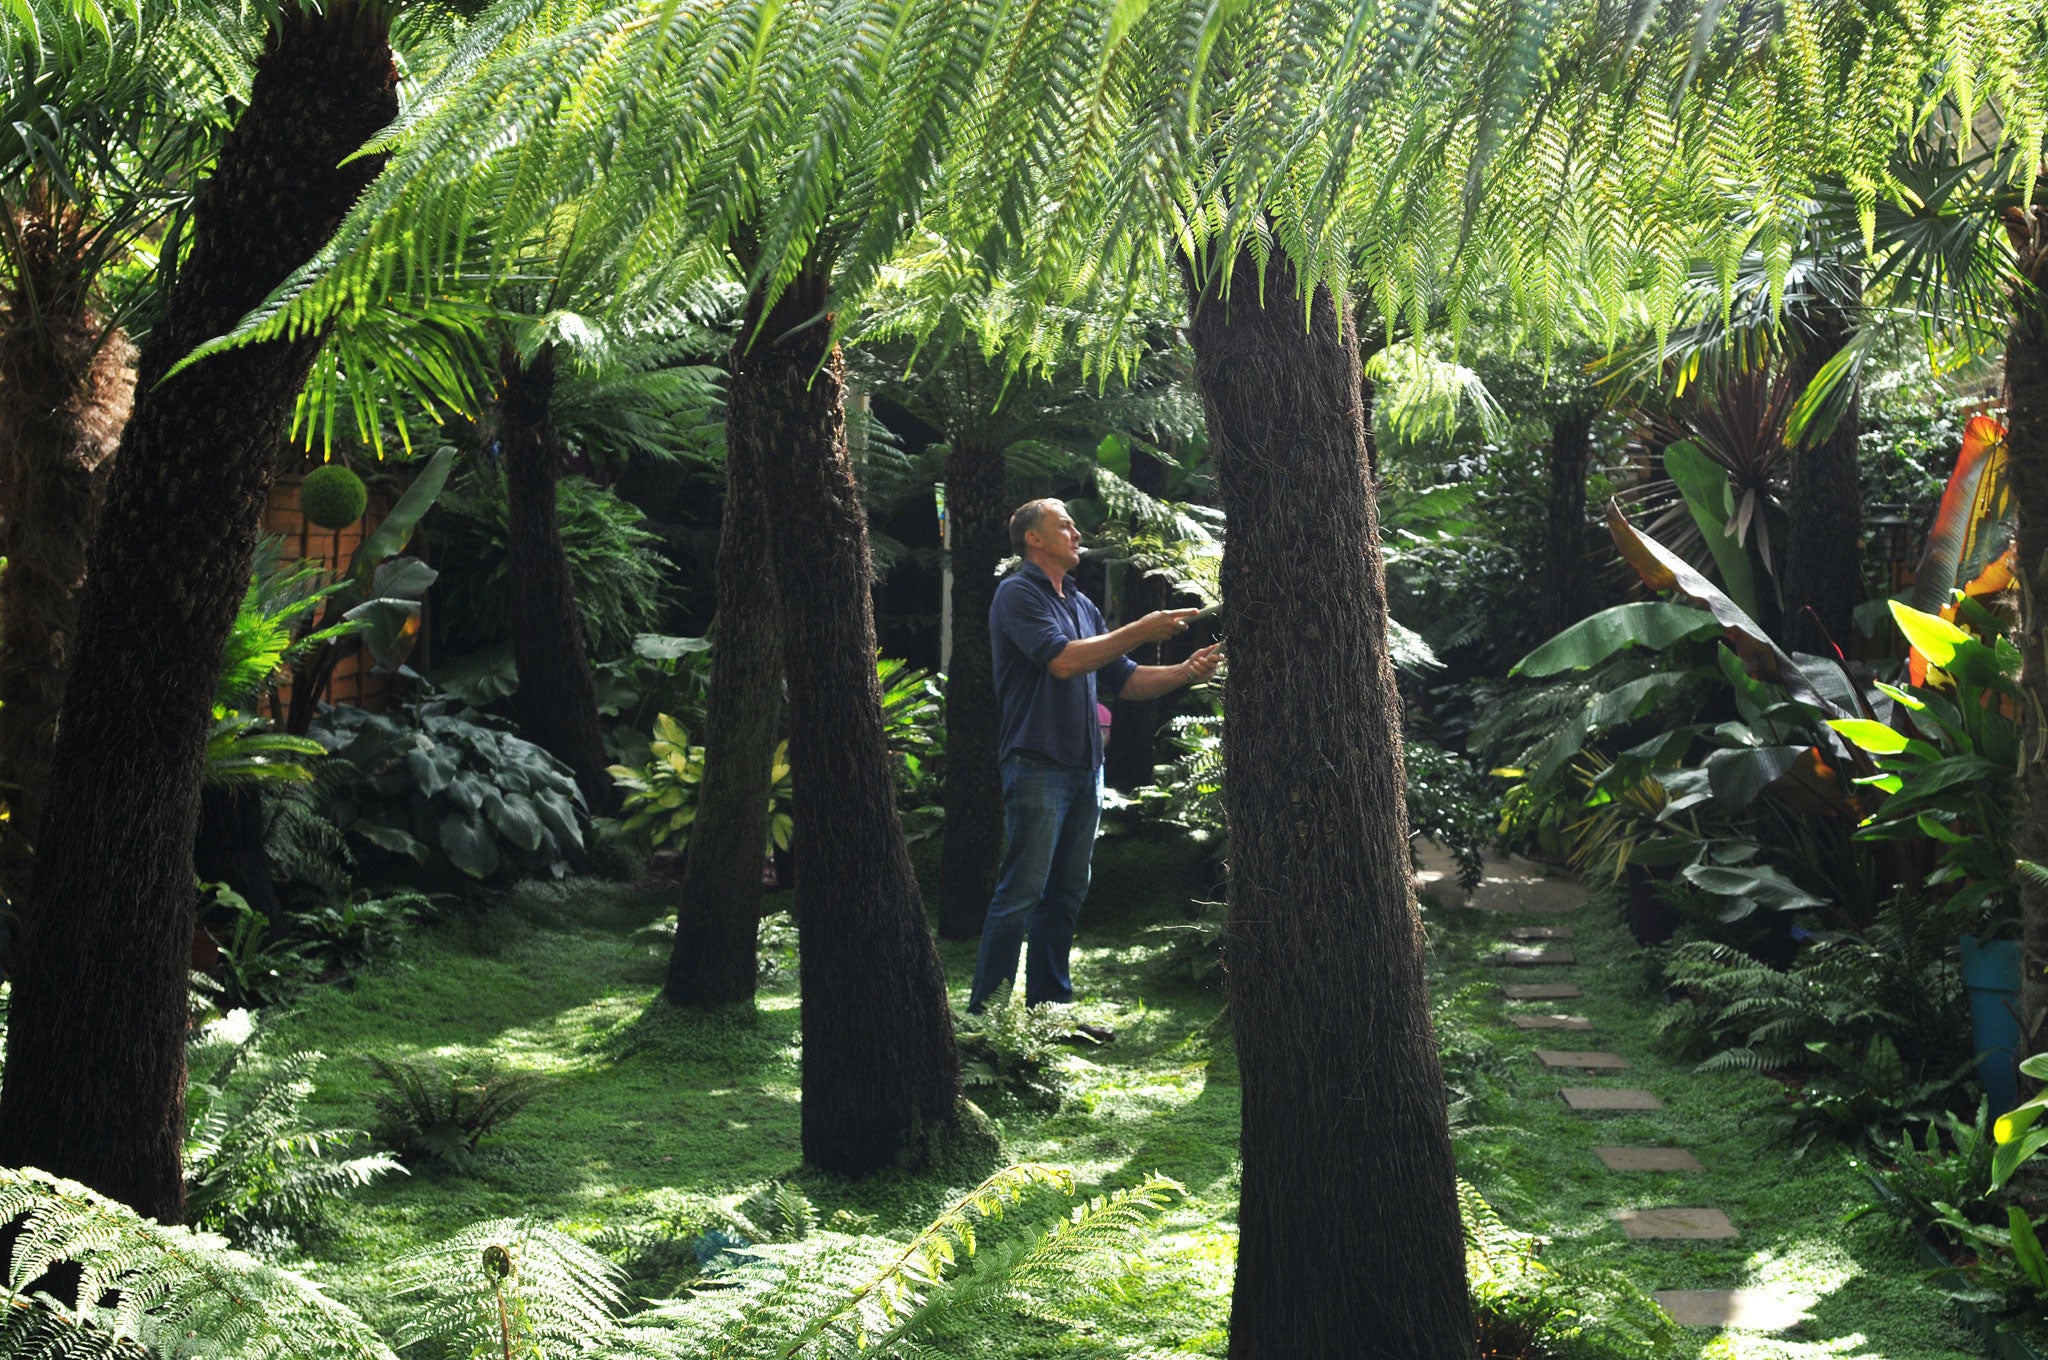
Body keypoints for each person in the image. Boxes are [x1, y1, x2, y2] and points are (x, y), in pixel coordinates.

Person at [966, 497, 1222, 1019]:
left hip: (1086, 767)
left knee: (1065, 895)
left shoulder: (1082, 605)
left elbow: (1124, 680)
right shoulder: (1017, 593)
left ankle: (1049, 1013)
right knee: (1022, 894)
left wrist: (1185, 671)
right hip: (1037, 763)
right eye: (1065, 525)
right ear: (1034, 538)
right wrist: (1142, 628)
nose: (1077, 533)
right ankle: (988, 1020)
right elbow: (1062, 662)